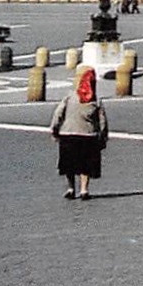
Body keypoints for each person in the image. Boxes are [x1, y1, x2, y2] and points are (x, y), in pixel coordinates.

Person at [51, 66, 108, 199]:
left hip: (68, 134)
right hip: (88, 136)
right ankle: (84, 190)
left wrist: (55, 129)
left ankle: (71, 188)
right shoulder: (96, 101)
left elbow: (58, 113)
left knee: (68, 165)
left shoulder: (70, 97)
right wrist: (103, 137)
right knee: (85, 166)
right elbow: (103, 122)